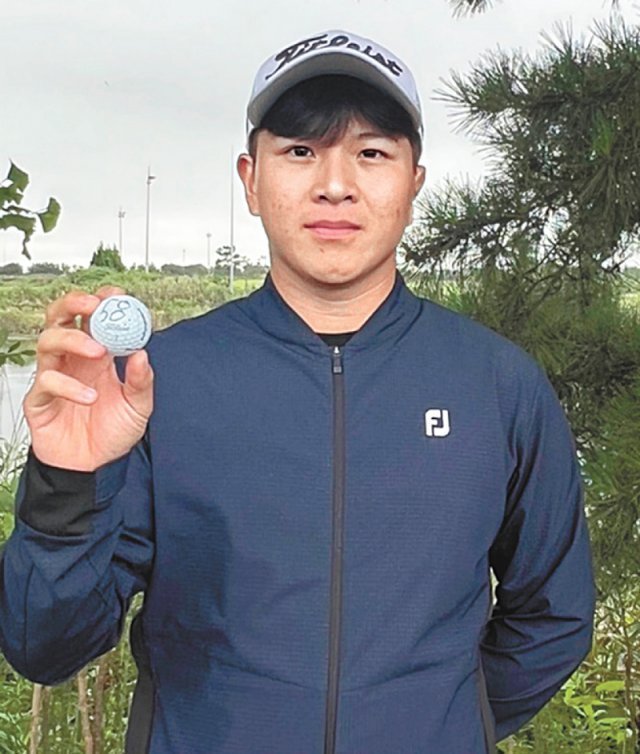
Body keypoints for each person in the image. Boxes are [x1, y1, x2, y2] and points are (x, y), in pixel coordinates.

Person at [0, 29, 595, 754]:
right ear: (251, 180)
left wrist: (441, 723)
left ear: (414, 182)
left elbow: (554, 617)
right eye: (301, 151)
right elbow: (45, 647)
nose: (335, 184)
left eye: (371, 153)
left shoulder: (497, 385)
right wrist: (67, 482)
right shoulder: (157, 384)